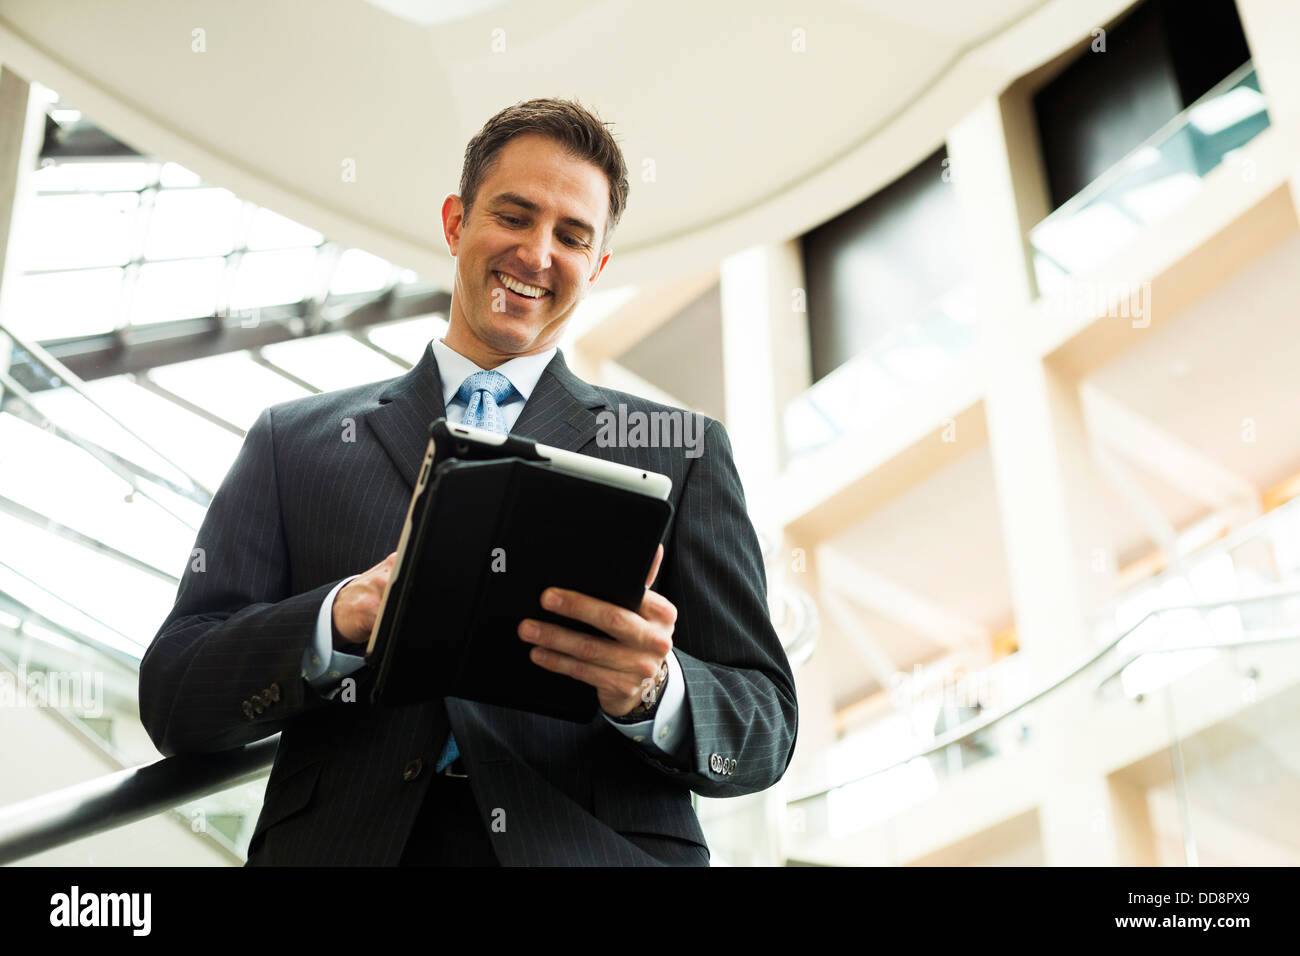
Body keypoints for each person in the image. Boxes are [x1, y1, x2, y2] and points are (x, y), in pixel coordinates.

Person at [139, 97, 798, 866]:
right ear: (455, 222)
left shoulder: (681, 450)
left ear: (598, 268)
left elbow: (765, 725)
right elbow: (176, 691)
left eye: (572, 236)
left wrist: (655, 689)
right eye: (513, 217)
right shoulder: (294, 443)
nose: (537, 254)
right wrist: (339, 616)